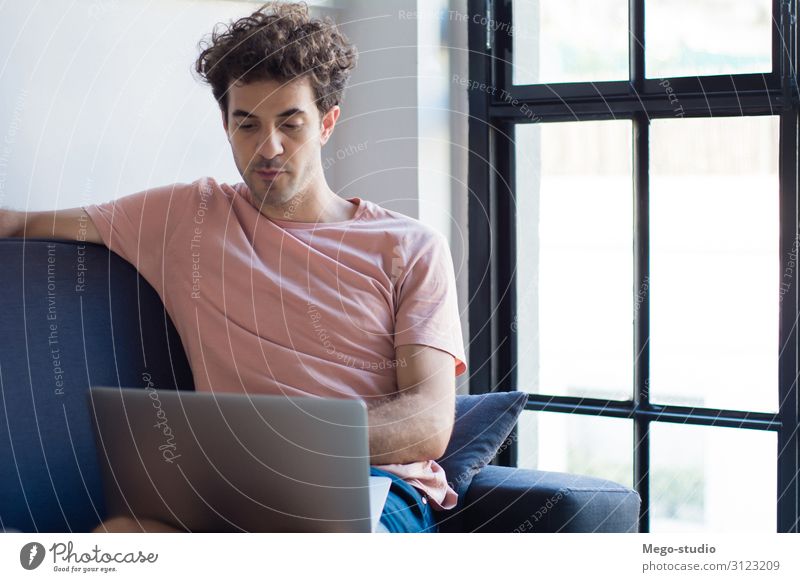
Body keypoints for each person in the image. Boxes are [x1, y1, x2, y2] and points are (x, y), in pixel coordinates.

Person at [0, 1, 467, 533]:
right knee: (117, 543)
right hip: (236, 485)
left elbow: (426, 425)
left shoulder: (410, 247)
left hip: (375, 485)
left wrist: (286, 439)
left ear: (327, 123)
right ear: (225, 124)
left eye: (291, 123)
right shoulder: (183, 217)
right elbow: (16, 224)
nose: (268, 148)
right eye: (246, 125)